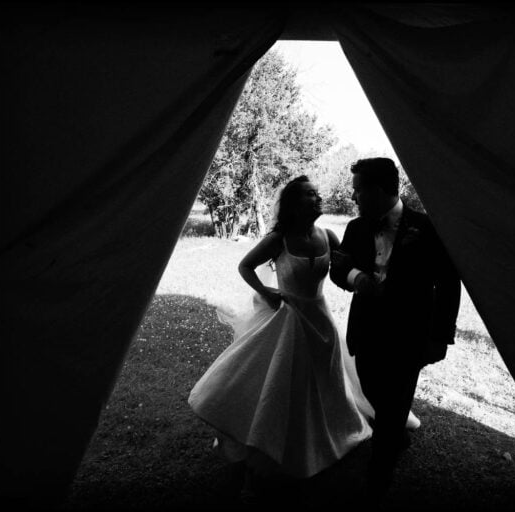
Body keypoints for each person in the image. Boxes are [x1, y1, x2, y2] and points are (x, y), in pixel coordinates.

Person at [188, 176, 374, 503]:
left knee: (323, 384)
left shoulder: (328, 235)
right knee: (286, 388)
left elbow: (340, 272)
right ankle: (265, 459)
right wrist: (267, 291)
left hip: (322, 320)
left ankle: (320, 440)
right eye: (308, 195)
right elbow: (245, 266)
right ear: (293, 204)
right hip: (290, 321)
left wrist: (353, 272)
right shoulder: (280, 238)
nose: (317, 199)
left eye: (317, 194)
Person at [329, 157, 462, 500]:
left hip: (410, 334)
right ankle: (395, 431)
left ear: (377, 190)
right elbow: (338, 269)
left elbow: (448, 284)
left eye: (359, 190)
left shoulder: (428, 227)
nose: (354, 197)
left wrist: (440, 336)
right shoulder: (356, 228)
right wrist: (357, 278)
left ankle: (379, 475)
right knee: (373, 390)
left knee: (393, 403)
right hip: (367, 332)